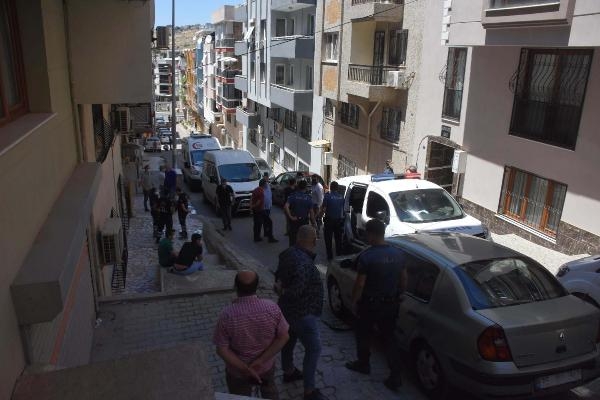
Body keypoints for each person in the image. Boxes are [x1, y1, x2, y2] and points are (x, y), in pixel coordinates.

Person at [345, 219, 408, 392]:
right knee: (389, 338)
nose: (366, 236)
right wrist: (400, 293)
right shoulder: (399, 254)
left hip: (370, 305)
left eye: (366, 233)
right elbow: (404, 279)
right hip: (391, 304)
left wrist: (354, 301)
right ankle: (395, 375)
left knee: (363, 334)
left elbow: (360, 284)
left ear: (372, 234)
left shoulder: (367, 256)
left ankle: (363, 364)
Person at [213, 271, 290, 399]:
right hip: (265, 367)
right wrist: (260, 361)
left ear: (235, 287)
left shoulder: (227, 315)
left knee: (240, 396)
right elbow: (284, 336)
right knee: (269, 391)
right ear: (257, 286)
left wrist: (245, 369)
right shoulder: (272, 308)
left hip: (237, 372)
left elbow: (221, 349)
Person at [275, 226, 325, 400]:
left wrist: (279, 288)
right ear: (313, 241)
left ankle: (288, 371)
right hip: (303, 314)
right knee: (314, 348)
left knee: (289, 342)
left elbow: (278, 277)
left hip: (286, 311)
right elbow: (295, 291)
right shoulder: (304, 263)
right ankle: (309, 391)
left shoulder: (287, 253)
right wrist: (282, 291)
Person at [284, 180, 315, 246]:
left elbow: (286, 206)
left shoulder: (293, 195)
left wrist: (290, 217)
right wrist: (314, 224)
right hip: (304, 222)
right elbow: (311, 213)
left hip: (294, 221)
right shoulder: (308, 198)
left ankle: (293, 251)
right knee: (303, 241)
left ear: (298, 187)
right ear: (306, 187)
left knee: (293, 241)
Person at [320, 181, 345, 261]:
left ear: (330, 187)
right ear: (337, 188)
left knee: (328, 239)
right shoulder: (341, 197)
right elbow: (342, 209)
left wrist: (319, 217)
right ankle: (339, 255)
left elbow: (323, 209)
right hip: (338, 221)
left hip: (329, 220)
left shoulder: (327, 196)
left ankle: (330, 256)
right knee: (338, 239)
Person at [262, 172, 278, 243]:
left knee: (266, 221)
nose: (267, 178)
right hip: (264, 207)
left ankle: (266, 233)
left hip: (268, 206)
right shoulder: (263, 184)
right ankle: (269, 236)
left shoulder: (267, 184)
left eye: (267, 177)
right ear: (264, 177)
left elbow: (269, 194)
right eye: (266, 177)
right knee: (268, 222)